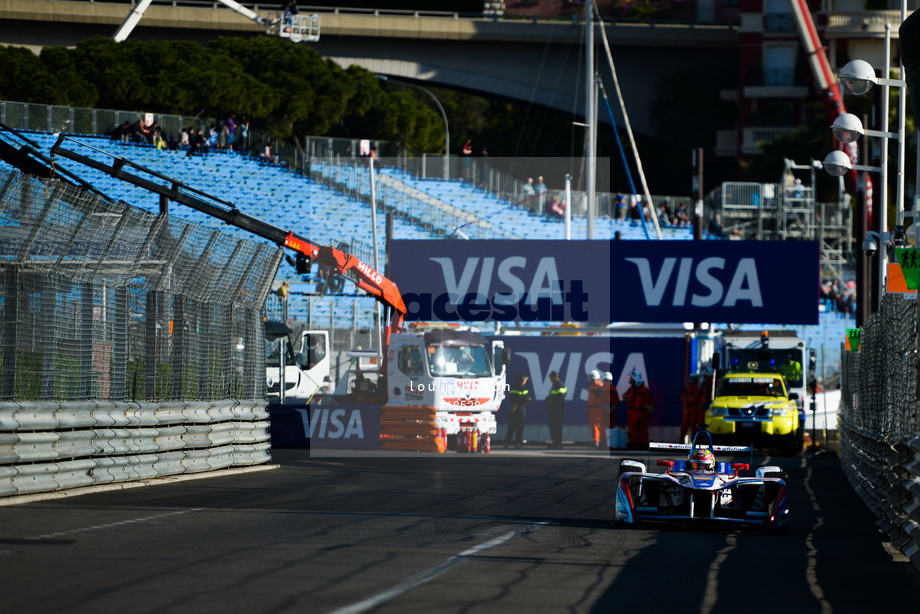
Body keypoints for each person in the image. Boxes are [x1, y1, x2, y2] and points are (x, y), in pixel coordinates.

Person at [624, 369, 653, 449]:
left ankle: (636, 443)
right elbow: (624, 396)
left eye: (631, 378)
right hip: (636, 410)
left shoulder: (640, 390)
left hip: (638, 410)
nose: (630, 379)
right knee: (638, 427)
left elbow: (629, 398)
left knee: (635, 426)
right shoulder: (634, 389)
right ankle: (639, 443)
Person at [504, 373, 532, 448]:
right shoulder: (523, 389)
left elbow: (511, 398)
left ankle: (506, 442)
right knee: (519, 427)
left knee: (511, 427)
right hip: (521, 410)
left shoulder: (512, 387)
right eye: (525, 379)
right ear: (522, 380)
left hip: (513, 408)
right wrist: (528, 399)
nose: (526, 380)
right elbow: (526, 399)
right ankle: (517, 443)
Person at [545, 370, 567, 449]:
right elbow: (553, 395)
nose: (550, 379)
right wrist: (548, 398)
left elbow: (561, 397)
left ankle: (558, 443)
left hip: (558, 410)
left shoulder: (561, 385)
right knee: (553, 426)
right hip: (553, 410)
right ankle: (555, 442)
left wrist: (552, 400)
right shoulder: (554, 386)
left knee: (557, 427)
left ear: (554, 377)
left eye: (550, 377)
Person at [585, 370, 606, 448]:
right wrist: (587, 407)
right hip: (591, 408)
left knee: (599, 425)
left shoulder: (599, 386)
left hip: (597, 408)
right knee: (593, 426)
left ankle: (603, 440)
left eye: (591, 377)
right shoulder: (591, 386)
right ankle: (595, 440)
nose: (589, 378)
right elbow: (589, 398)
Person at [679, 374, 703, 443]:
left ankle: (694, 443)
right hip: (687, 409)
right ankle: (681, 443)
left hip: (694, 409)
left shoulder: (698, 388)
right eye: (692, 379)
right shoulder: (687, 388)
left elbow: (696, 397)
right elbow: (683, 398)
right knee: (684, 427)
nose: (693, 380)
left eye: (694, 379)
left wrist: (689, 399)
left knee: (694, 428)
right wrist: (688, 400)